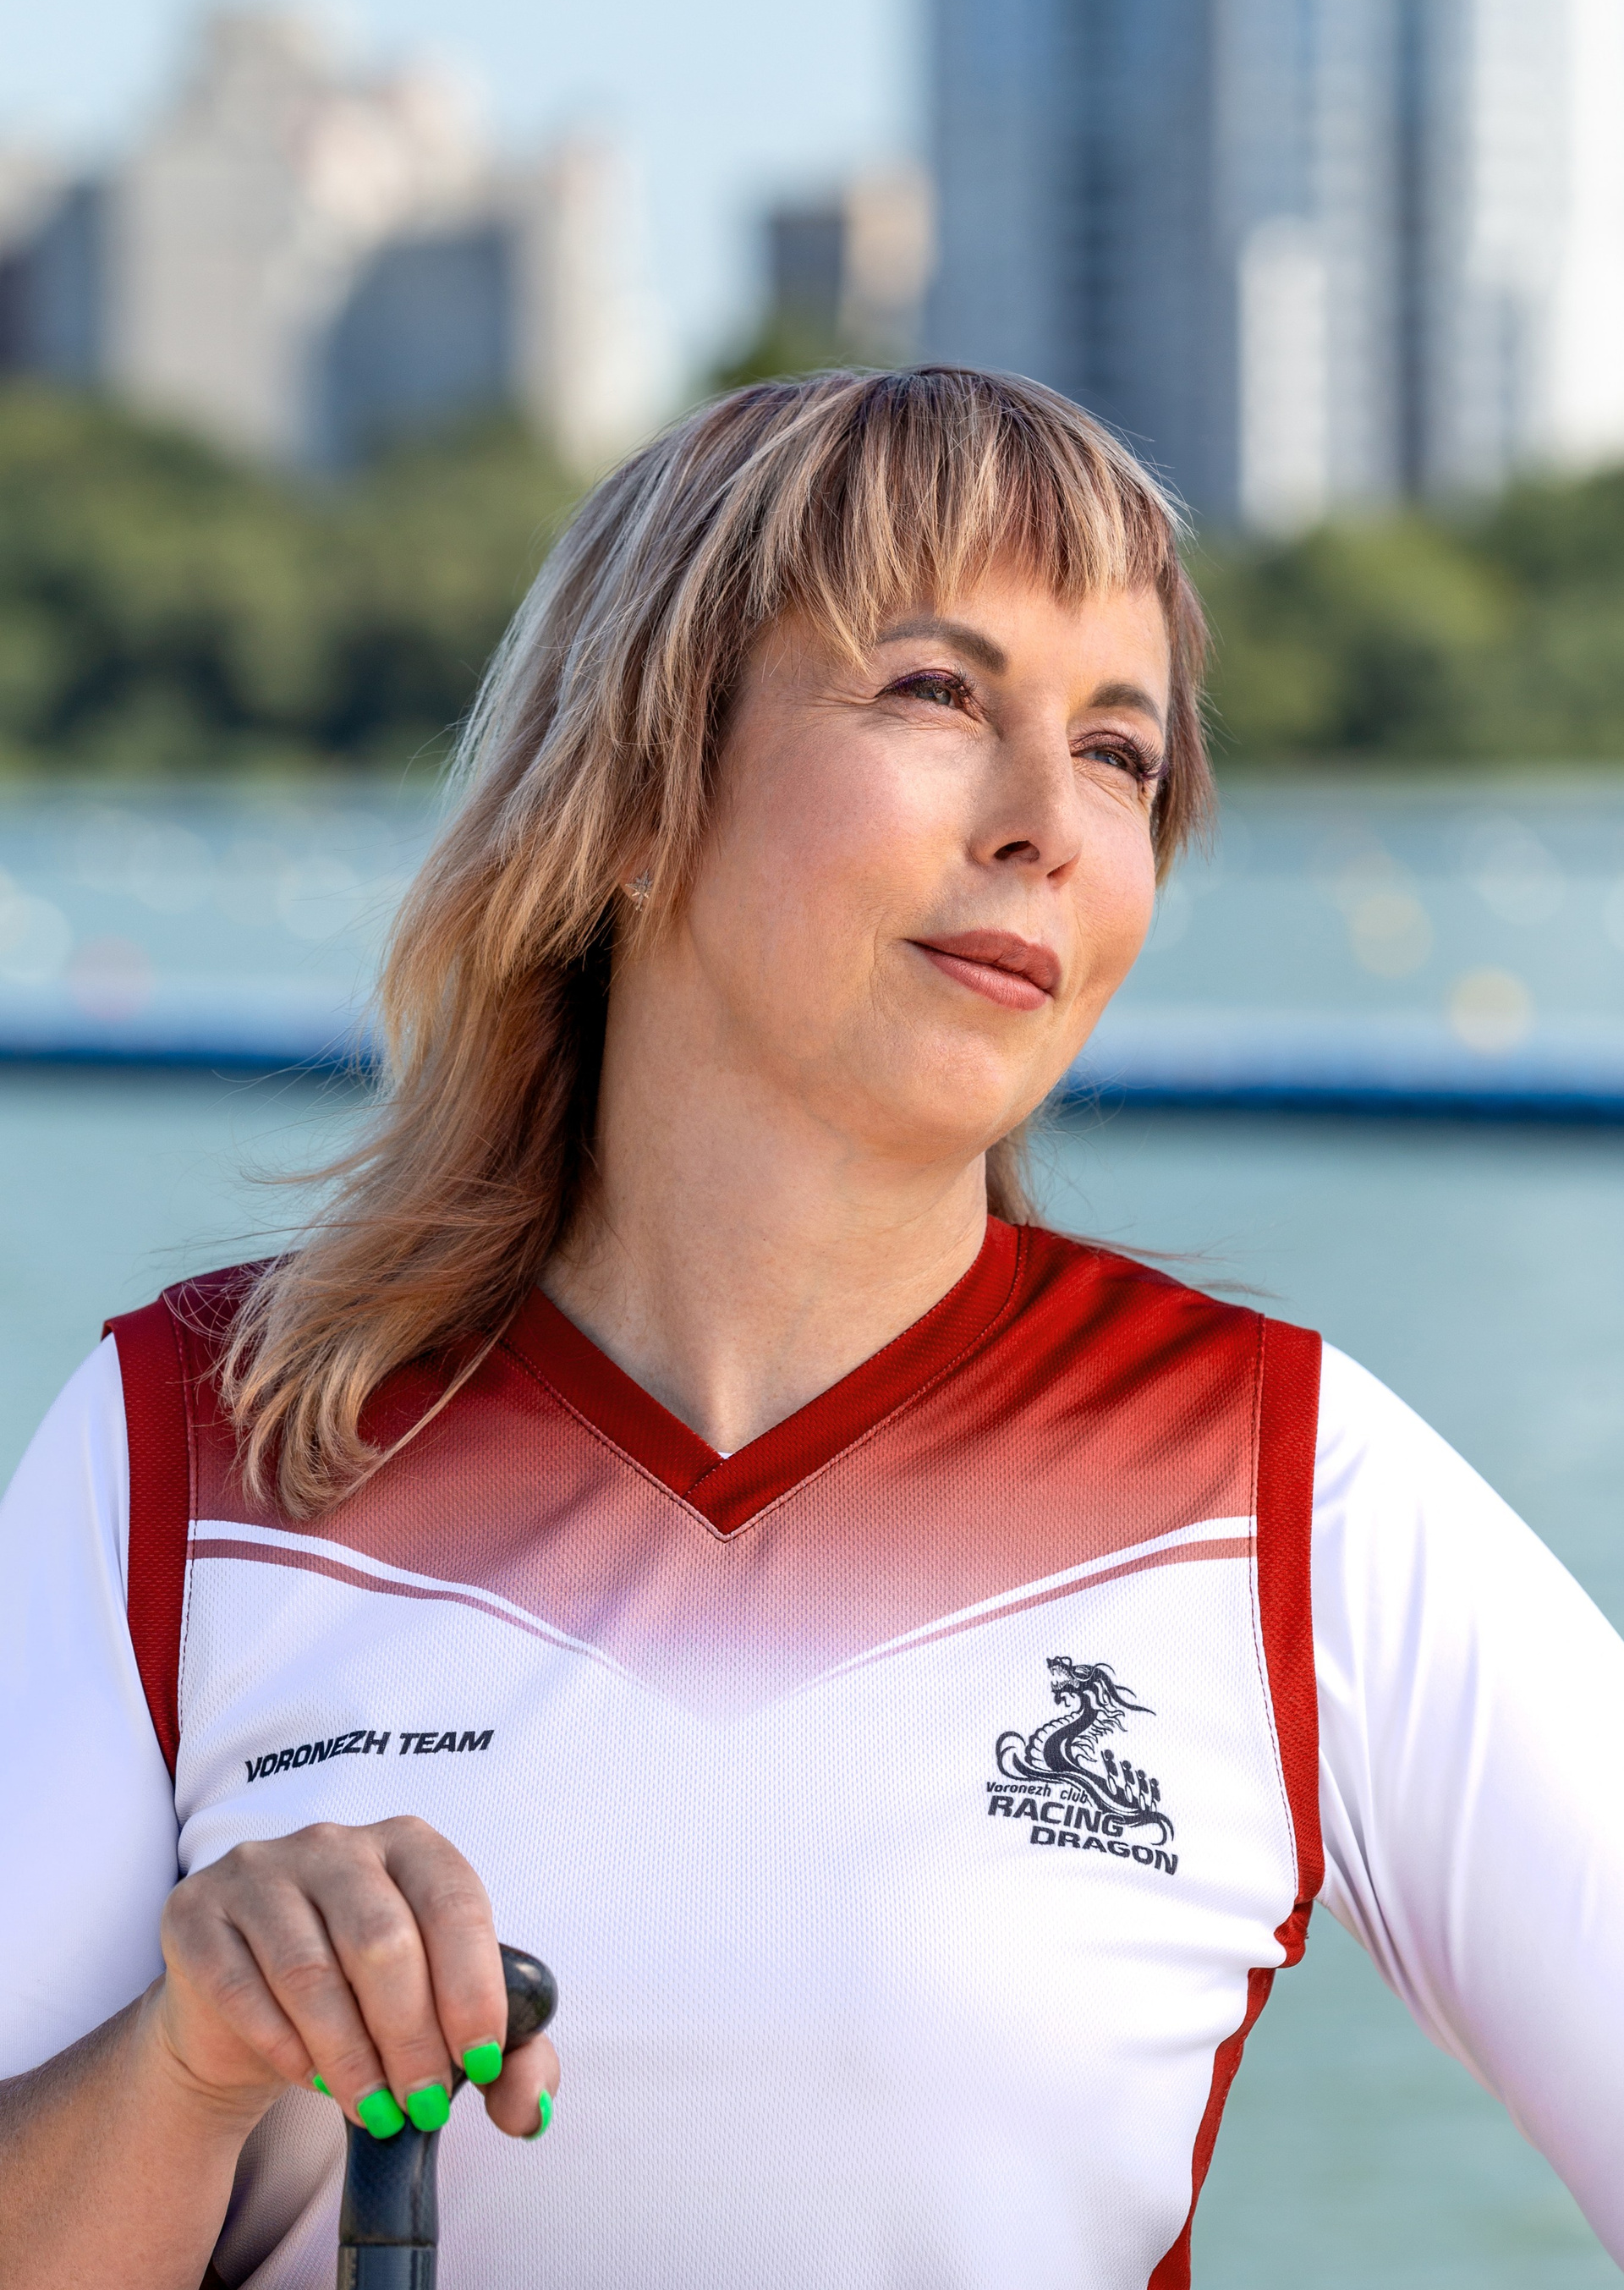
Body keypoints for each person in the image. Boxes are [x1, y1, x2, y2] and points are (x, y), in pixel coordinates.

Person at [1, 366, 1621, 2290]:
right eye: (936, 693)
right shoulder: (185, 1441)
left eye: (1120, 752)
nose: (1049, 823)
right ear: (632, 794)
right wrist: (184, 2061)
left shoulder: (1277, 1484)